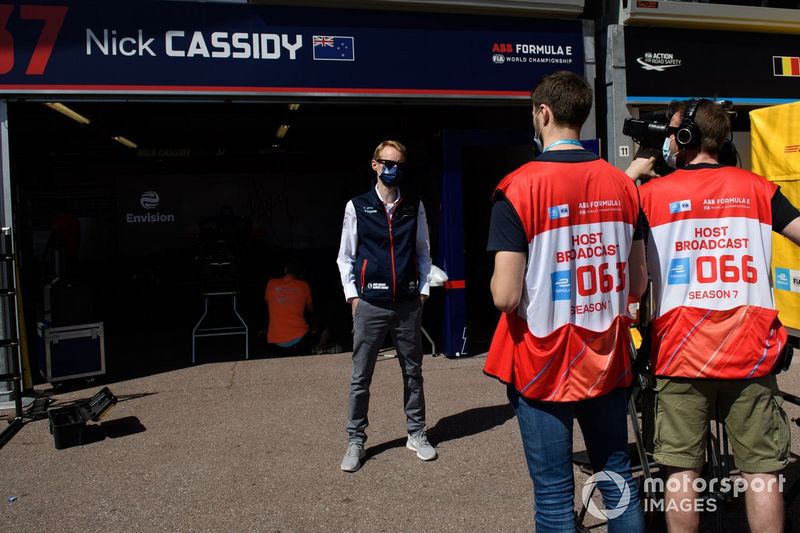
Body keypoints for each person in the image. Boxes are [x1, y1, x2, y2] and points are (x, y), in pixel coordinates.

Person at [484, 71, 648, 532]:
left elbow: (505, 295)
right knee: (618, 481)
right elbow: (636, 283)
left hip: (543, 362)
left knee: (555, 496)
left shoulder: (517, 187)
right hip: (607, 356)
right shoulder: (623, 186)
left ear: (544, 114)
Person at [629, 99, 800, 533]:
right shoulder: (759, 189)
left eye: (671, 131)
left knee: (681, 472)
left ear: (685, 137)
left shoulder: (649, 196)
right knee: (762, 472)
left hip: (680, 353)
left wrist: (634, 171)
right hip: (751, 353)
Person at [336, 139, 434, 473]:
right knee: (361, 376)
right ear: (374, 164)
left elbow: (423, 251)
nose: (393, 169)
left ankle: (416, 433)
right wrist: (353, 296)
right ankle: (355, 440)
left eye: (399, 164)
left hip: (407, 304)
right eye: (387, 163)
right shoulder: (357, 206)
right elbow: (345, 256)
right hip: (370, 304)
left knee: (414, 372)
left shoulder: (414, 205)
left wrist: (422, 291)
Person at [264, 257, 314, 356]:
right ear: (301, 274)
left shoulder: (271, 284)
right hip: (299, 337)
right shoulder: (304, 285)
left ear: (286, 269)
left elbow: (268, 303)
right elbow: (310, 310)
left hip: (276, 340)